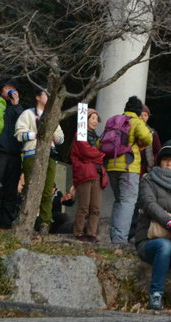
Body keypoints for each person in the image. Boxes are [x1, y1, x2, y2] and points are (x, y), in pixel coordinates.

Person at [132, 140, 171, 314]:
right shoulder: (148, 180)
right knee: (164, 245)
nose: (169, 163)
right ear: (159, 160)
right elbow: (149, 203)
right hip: (150, 239)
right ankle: (156, 294)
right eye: (166, 159)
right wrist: (169, 222)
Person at [15, 88, 68, 233]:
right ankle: (26, 221)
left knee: (47, 190)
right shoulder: (28, 114)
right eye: (46, 94)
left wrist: (53, 137)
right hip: (31, 153)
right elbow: (19, 134)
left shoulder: (52, 116)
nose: (49, 96)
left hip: (49, 155)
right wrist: (36, 134)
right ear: (38, 97)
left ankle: (45, 223)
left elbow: (61, 138)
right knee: (30, 187)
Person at [105, 96, 155, 246]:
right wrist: (140, 144)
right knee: (128, 202)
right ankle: (120, 240)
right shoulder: (136, 122)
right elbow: (148, 138)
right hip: (129, 166)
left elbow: (100, 142)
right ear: (139, 111)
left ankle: (114, 236)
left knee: (119, 200)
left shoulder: (114, 121)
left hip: (111, 165)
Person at [0, 78, 24, 229]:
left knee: (11, 191)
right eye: (7, 88)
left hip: (15, 154)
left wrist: (16, 105)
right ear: (0, 91)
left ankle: (6, 223)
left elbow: (23, 123)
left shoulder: (18, 109)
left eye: (12, 88)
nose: (10, 91)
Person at [70, 107, 106, 242]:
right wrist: (101, 155)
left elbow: (92, 155)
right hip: (84, 173)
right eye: (92, 118)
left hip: (97, 173)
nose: (95, 121)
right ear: (85, 119)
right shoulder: (80, 134)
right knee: (84, 206)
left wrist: (97, 156)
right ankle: (78, 232)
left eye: (97, 119)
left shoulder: (97, 138)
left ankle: (91, 233)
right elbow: (86, 153)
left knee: (95, 207)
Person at [139, 103, 163, 170]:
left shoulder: (152, 133)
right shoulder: (131, 131)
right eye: (141, 115)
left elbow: (158, 151)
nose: (143, 118)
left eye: (145, 115)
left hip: (147, 169)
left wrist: (153, 161)